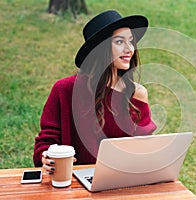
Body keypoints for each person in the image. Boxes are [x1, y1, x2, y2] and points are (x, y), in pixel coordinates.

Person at [33, 10, 157, 174]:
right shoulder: (64, 89)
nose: (130, 49)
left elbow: (145, 146)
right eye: (120, 42)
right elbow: (46, 142)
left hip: (123, 179)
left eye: (131, 41)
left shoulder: (137, 93)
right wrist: (46, 155)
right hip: (75, 181)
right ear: (101, 48)